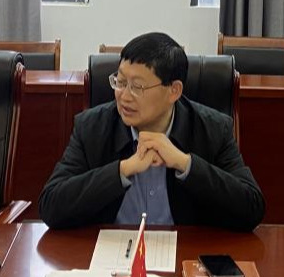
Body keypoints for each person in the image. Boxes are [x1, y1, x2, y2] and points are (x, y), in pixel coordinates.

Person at [39, 32, 265, 230]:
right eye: (120, 82)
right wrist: (122, 170)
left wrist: (185, 164)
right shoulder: (92, 128)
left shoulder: (213, 130)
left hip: (184, 254)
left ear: (174, 91)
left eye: (137, 86)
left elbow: (252, 209)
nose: (124, 96)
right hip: (111, 255)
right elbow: (50, 206)